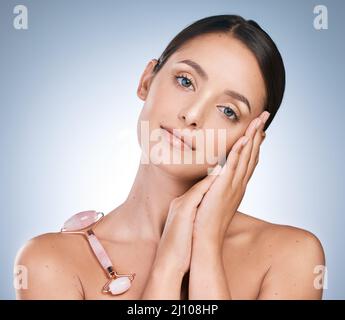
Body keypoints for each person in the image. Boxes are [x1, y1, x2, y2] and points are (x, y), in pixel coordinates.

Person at [14, 14, 325, 300]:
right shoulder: (49, 262)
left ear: (251, 140)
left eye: (228, 110)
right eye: (185, 81)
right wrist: (168, 265)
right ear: (147, 80)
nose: (191, 115)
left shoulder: (290, 256)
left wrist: (205, 243)